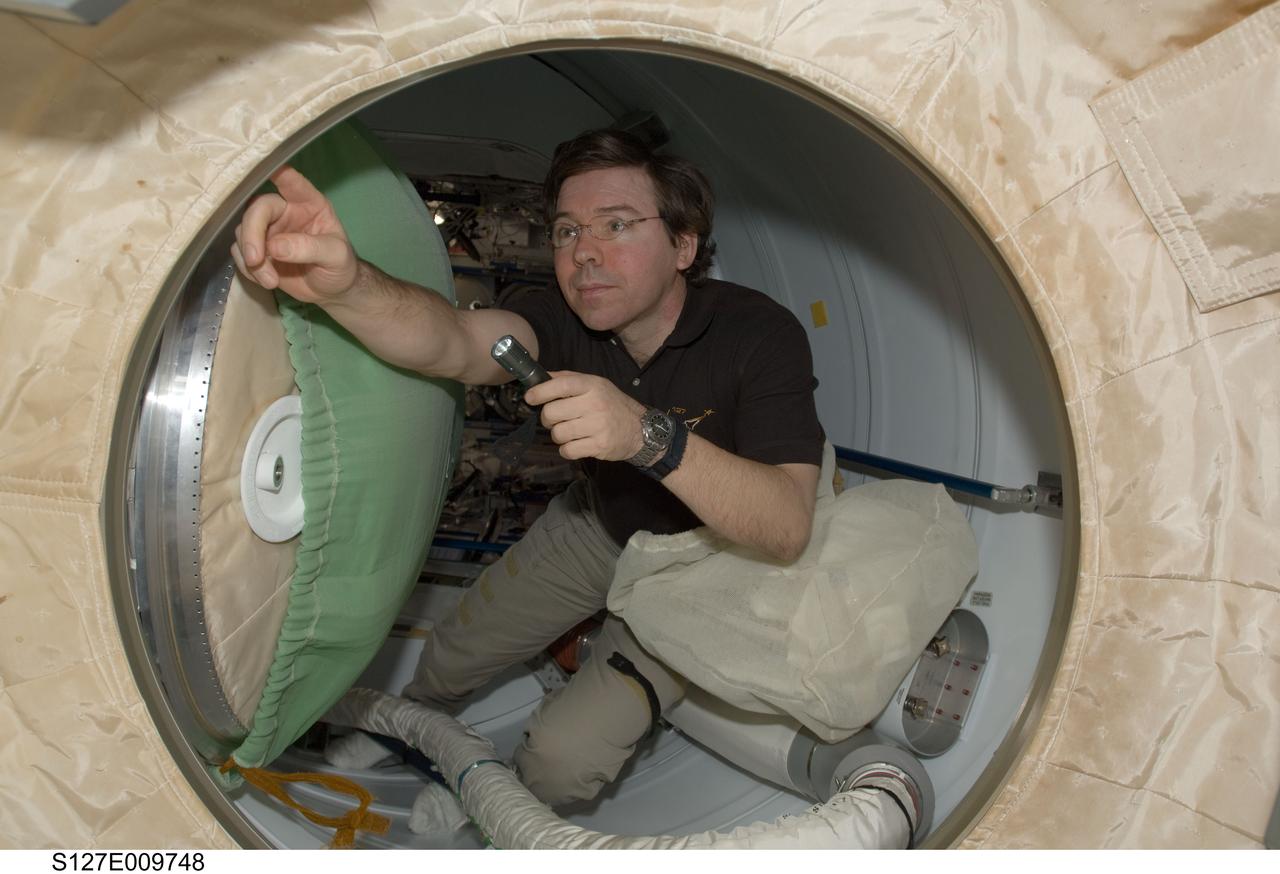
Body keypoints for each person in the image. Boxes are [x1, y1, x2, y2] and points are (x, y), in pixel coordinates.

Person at [231, 128, 825, 806]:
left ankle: (497, 802)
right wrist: (349, 287)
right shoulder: (561, 319)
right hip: (605, 527)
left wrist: (643, 436)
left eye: (616, 225)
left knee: (561, 766)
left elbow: (785, 525)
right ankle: (405, 731)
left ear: (684, 245)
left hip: (712, 565)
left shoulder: (760, 335)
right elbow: (453, 342)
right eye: (568, 231)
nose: (585, 254)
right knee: (457, 648)